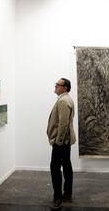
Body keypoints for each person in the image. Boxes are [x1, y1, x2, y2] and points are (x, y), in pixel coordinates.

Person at [47, 78, 76, 210]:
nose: (55, 86)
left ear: (65, 87)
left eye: (57, 85)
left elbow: (63, 124)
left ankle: (58, 197)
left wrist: (58, 142)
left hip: (61, 142)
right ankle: (68, 194)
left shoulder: (64, 101)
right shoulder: (66, 99)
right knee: (66, 166)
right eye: (56, 84)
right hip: (65, 140)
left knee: (55, 168)